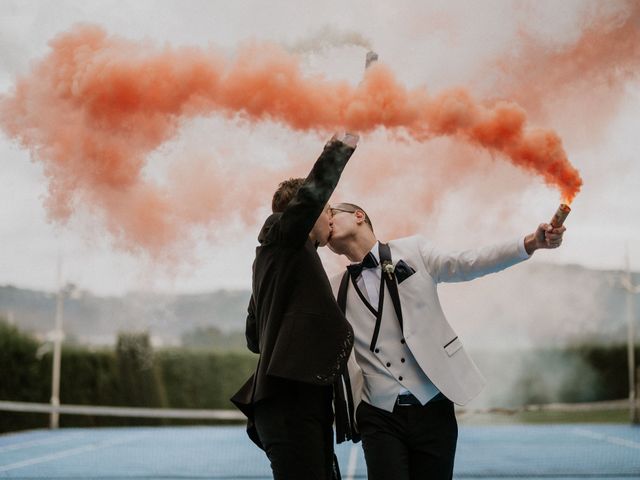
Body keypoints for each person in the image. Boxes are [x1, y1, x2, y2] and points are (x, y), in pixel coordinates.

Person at [328, 202, 566, 480]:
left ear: (359, 216)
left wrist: (531, 243)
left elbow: (469, 262)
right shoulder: (334, 288)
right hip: (378, 414)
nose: (327, 220)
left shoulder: (413, 250)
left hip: (434, 407)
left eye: (332, 213)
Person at [231, 134, 359, 480]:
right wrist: (341, 146)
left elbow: (254, 339)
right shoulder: (284, 237)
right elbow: (303, 206)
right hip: (289, 407)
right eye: (327, 210)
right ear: (308, 212)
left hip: (296, 406)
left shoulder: (277, 265)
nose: (331, 219)